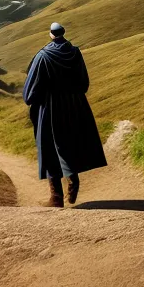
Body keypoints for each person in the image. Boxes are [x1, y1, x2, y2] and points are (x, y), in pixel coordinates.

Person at [23, 21, 107, 207]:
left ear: (51, 34)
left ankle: (56, 197)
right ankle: (72, 176)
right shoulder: (75, 52)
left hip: (50, 107)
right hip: (75, 105)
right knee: (69, 143)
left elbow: (30, 91)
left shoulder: (43, 56)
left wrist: (31, 100)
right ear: (63, 33)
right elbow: (84, 83)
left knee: (48, 147)